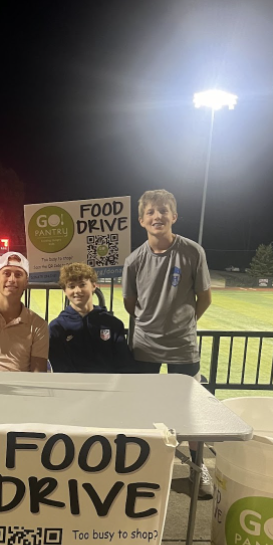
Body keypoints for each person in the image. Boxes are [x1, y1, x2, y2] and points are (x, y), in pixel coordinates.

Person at [122, 189, 213, 496]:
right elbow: (130, 304)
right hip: (144, 346)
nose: (156, 216)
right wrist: (152, 325)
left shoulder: (192, 251)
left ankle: (197, 470)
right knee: (142, 410)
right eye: (150, 212)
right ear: (141, 220)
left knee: (190, 411)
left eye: (163, 211)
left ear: (174, 216)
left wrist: (183, 324)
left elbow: (205, 298)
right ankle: (143, 470)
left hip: (183, 346)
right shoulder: (134, 260)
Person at [49, 263, 136, 373]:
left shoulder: (113, 324)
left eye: (82, 285)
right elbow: (59, 366)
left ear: (94, 286)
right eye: (71, 286)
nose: (77, 291)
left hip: (108, 386)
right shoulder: (57, 327)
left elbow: (124, 364)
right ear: (65, 291)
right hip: (73, 387)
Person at [0, 251, 49, 372]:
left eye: (18, 275)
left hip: (21, 388)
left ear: (26, 282)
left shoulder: (38, 325)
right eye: (6, 273)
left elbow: (38, 374)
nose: (12, 279)